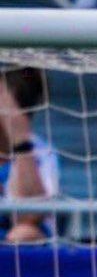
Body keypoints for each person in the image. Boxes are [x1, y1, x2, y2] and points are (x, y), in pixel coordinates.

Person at [0, 67, 59, 244]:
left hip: (19, 244)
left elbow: (29, 216)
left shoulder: (41, 152)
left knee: (24, 232)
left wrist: (20, 144)